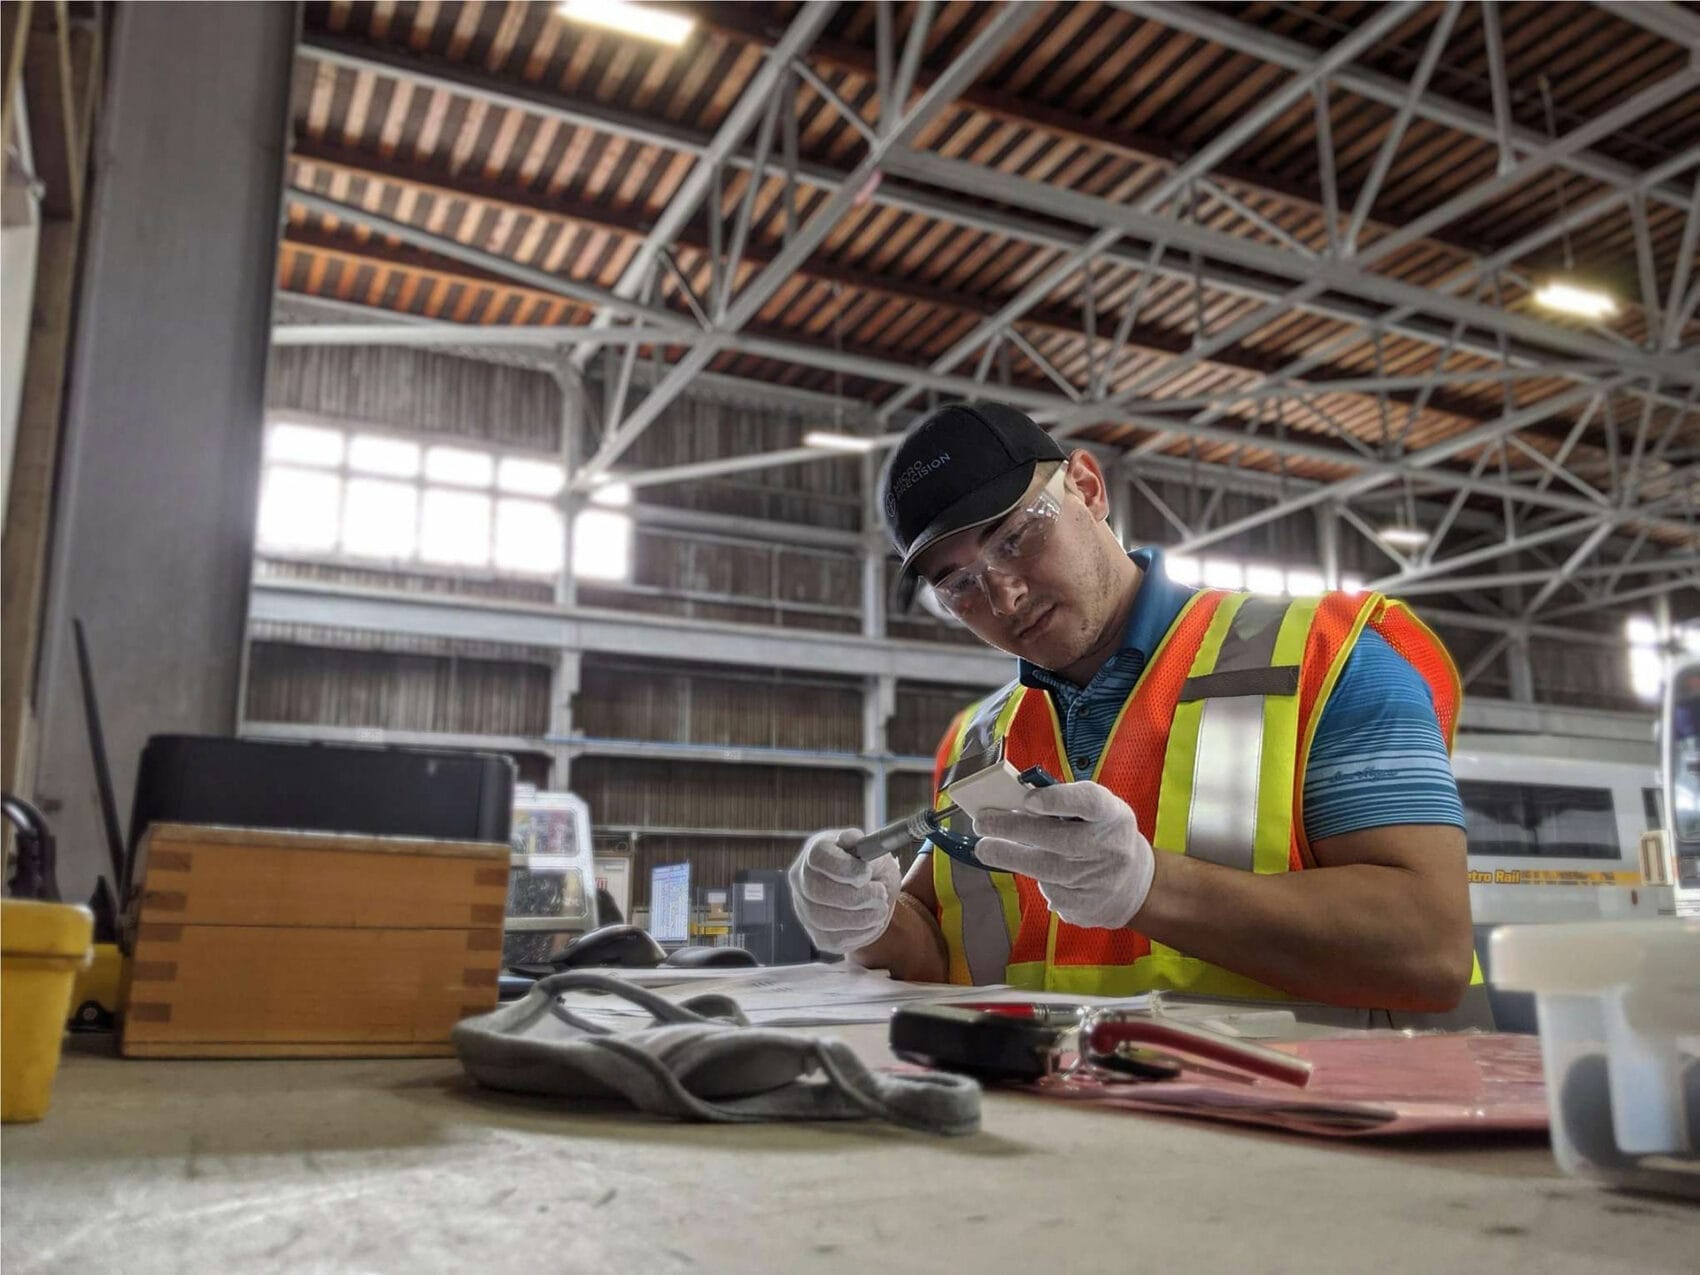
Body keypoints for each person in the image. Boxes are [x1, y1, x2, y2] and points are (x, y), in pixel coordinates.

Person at [788, 401, 1480, 1013]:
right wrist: (867, 915)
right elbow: (940, 957)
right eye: (960, 584)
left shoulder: (1322, 658)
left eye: (1015, 537)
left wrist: (1151, 887)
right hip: (1069, 1140)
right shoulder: (983, 741)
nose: (1005, 597)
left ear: (1088, 487)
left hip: (1305, 1136)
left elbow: (1429, 947)